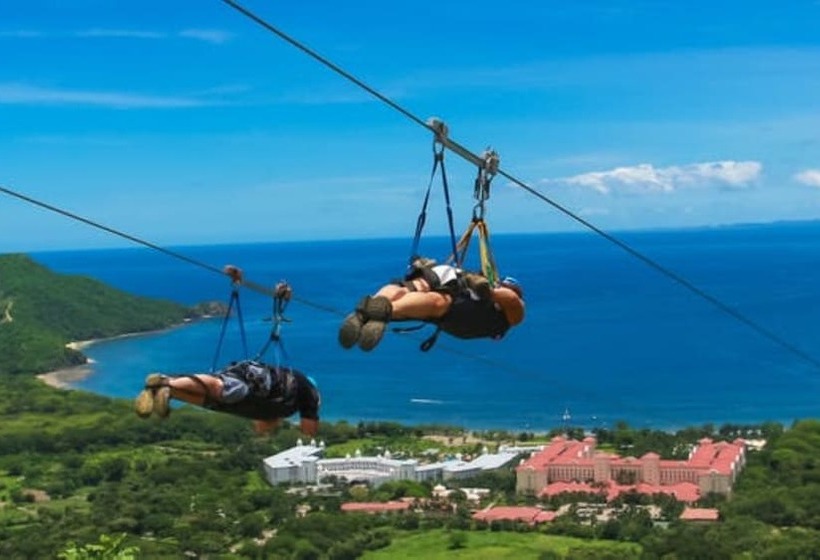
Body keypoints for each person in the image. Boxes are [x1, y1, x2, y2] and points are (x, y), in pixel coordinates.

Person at [339, 259, 525, 351]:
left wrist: (488, 290)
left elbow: (512, 300)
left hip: (460, 311)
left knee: (433, 299)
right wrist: (475, 283)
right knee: (418, 291)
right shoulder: (487, 304)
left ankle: (373, 309)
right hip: (453, 312)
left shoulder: (509, 317)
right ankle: (375, 311)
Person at [134, 359, 321, 436]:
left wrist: (276, 423)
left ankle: (167, 390)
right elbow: (309, 431)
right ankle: (167, 381)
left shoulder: (281, 406)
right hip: (254, 387)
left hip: (253, 397)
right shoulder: (308, 392)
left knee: (212, 398)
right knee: (219, 389)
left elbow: (261, 427)